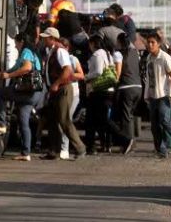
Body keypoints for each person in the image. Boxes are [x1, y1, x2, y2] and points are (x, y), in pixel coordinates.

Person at [0, 33, 45, 161]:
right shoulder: (33, 52)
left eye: (16, 43)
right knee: (23, 121)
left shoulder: (26, 51)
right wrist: (1, 74)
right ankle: (25, 153)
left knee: (0, 94)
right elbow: (15, 68)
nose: (15, 46)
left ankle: (1, 123)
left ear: (21, 41)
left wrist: (8, 77)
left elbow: (27, 68)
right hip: (34, 93)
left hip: (26, 91)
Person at [39, 27, 87, 160]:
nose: (43, 40)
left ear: (52, 38)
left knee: (64, 119)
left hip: (63, 89)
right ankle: (54, 150)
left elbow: (68, 71)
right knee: (53, 120)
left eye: (45, 37)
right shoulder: (51, 51)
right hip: (56, 90)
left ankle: (80, 148)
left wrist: (56, 84)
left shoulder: (59, 51)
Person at [144, 32, 171, 158]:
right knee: (154, 126)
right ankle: (161, 151)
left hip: (164, 95)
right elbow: (149, 77)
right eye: (149, 42)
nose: (150, 45)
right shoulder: (149, 58)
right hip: (152, 96)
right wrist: (146, 95)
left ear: (158, 44)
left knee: (165, 120)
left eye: (153, 42)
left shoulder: (165, 58)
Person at [107, 32, 143, 155]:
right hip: (138, 87)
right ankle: (131, 143)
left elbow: (118, 73)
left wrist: (111, 83)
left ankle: (128, 142)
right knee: (130, 115)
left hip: (126, 87)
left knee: (125, 117)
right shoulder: (135, 53)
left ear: (120, 42)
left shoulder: (119, 54)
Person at [83, 34, 115, 154]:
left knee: (94, 120)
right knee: (99, 119)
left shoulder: (97, 54)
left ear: (93, 43)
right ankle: (95, 145)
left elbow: (98, 72)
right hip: (108, 89)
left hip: (99, 89)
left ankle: (124, 138)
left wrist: (86, 77)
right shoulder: (107, 54)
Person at [57, 37, 84, 159]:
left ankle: (65, 148)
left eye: (63, 46)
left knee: (66, 119)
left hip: (73, 92)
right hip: (60, 92)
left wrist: (68, 76)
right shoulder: (56, 57)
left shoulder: (73, 59)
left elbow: (81, 74)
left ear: (67, 48)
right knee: (61, 119)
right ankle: (58, 148)